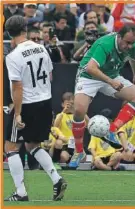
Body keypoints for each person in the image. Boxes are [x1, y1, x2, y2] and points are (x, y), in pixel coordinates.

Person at [4, 15, 67, 201]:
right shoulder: (41, 48)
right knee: (33, 145)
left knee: (11, 147)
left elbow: (17, 87)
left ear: (8, 33)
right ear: (25, 29)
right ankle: (56, 179)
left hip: (27, 104)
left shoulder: (13, 56)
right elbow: (50, 76)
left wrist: (17, 113)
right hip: (45, 102)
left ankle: (21, 192)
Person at [70, 25, 135, 168]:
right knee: (79, 111)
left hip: (112, 75)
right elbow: (91, 68)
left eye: (132, 43)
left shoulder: (131, 45)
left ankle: (112, 129)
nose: (129, 46)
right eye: (127, 43)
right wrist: (111, 82)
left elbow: (134, 59)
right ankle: (79, 151)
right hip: (89, 76)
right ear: (119, 36)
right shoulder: (104, 44)